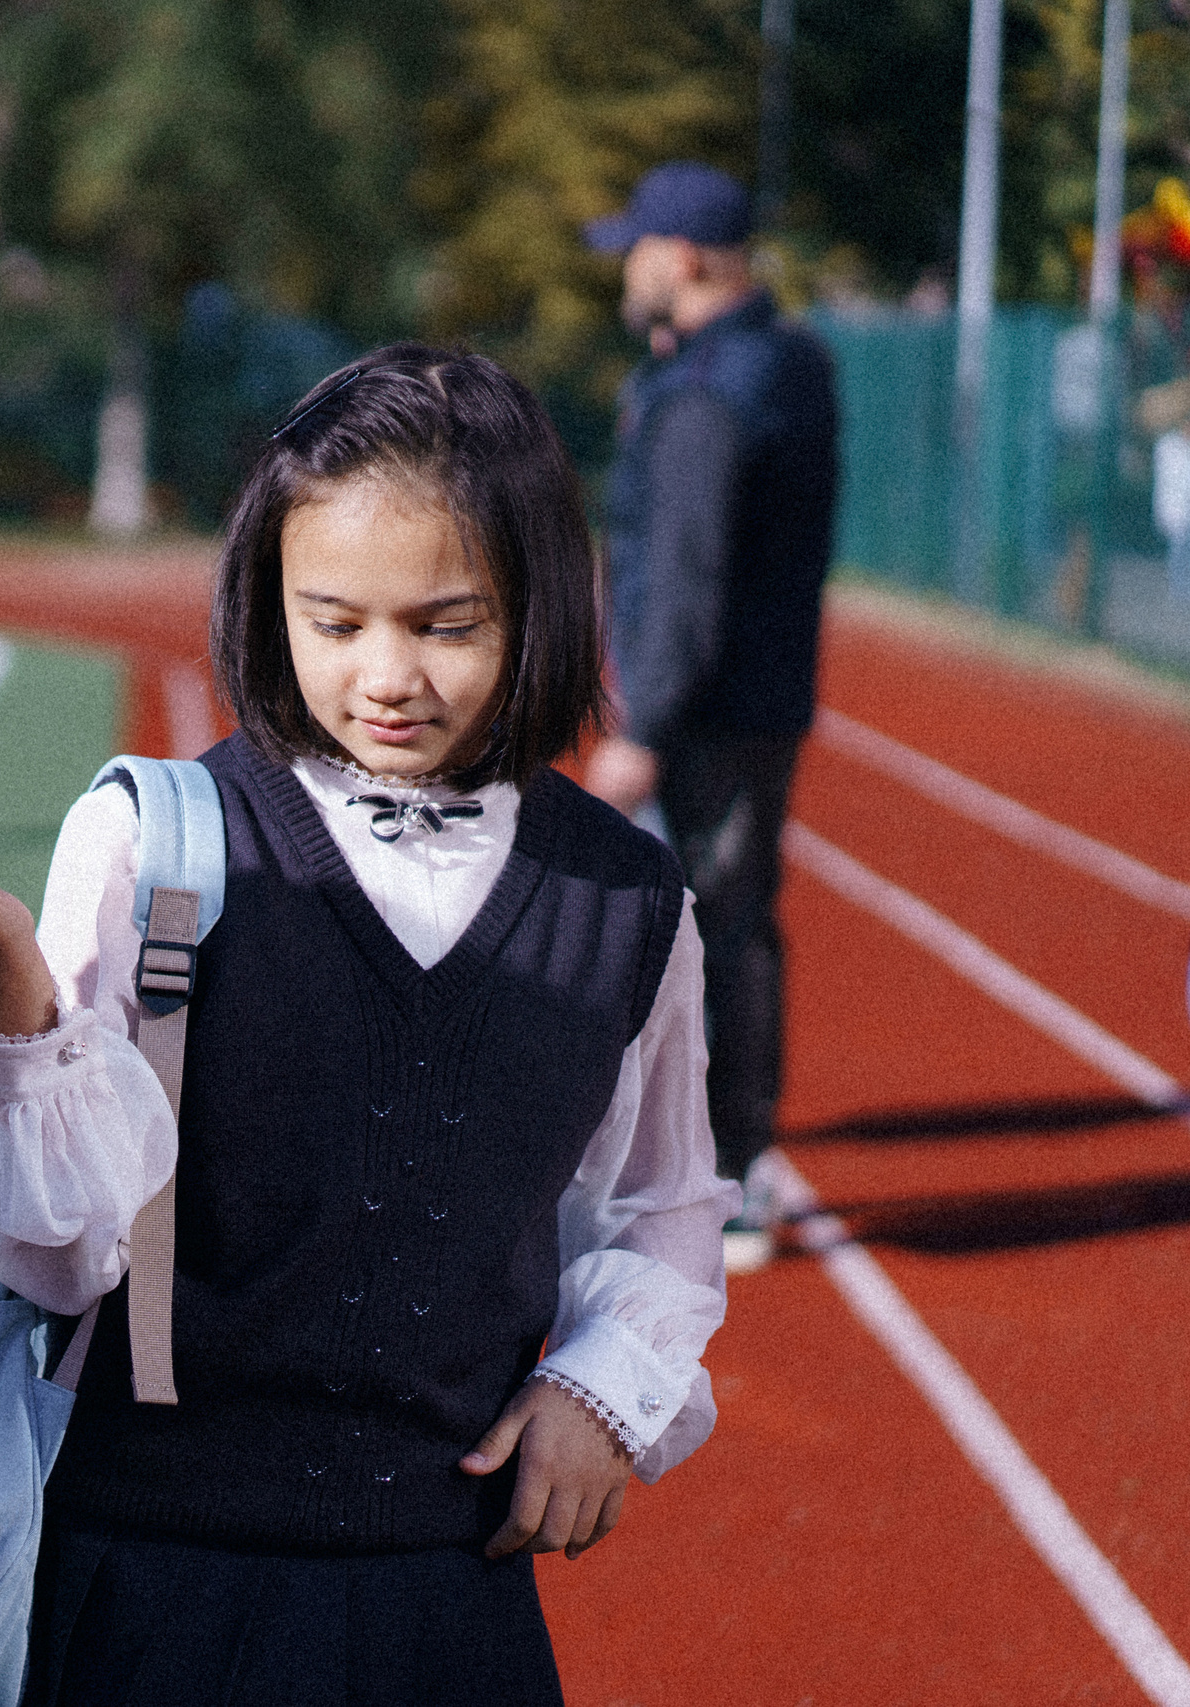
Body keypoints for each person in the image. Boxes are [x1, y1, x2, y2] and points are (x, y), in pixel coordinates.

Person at [0, 347, 736, 1704]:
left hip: (451, 1586)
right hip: (152, 1580)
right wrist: (6, 1005)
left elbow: (661, 1200)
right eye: (334, 621)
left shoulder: (627, 897)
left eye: (447, 624)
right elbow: (55, 1255)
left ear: (540, 608)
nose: (387, 674)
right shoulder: (154, 842)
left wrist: (605, 1388)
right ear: (271, 604)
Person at [580, 161, 842, 1272]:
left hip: (707, 713)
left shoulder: (704, 396)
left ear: (681, 258)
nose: (622, 271)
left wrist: (642, 728)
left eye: (636, 251)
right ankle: (722, 1151)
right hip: (757, 694)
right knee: (732, 920)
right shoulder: (785, 359)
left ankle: (732, 1171)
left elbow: (686, 573)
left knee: (716, 932)